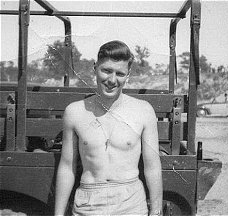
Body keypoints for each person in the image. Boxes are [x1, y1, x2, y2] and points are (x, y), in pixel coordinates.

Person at [54, 40, 163, 215]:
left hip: (131, 203)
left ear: (128, 75)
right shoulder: (74, 112)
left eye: (120, 73)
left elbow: (152, 166)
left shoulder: (144, 111)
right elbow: (67, 166)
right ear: (95, 68)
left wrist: (156, 211)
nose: (112, 80)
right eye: (106, 71)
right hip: (88, 203)